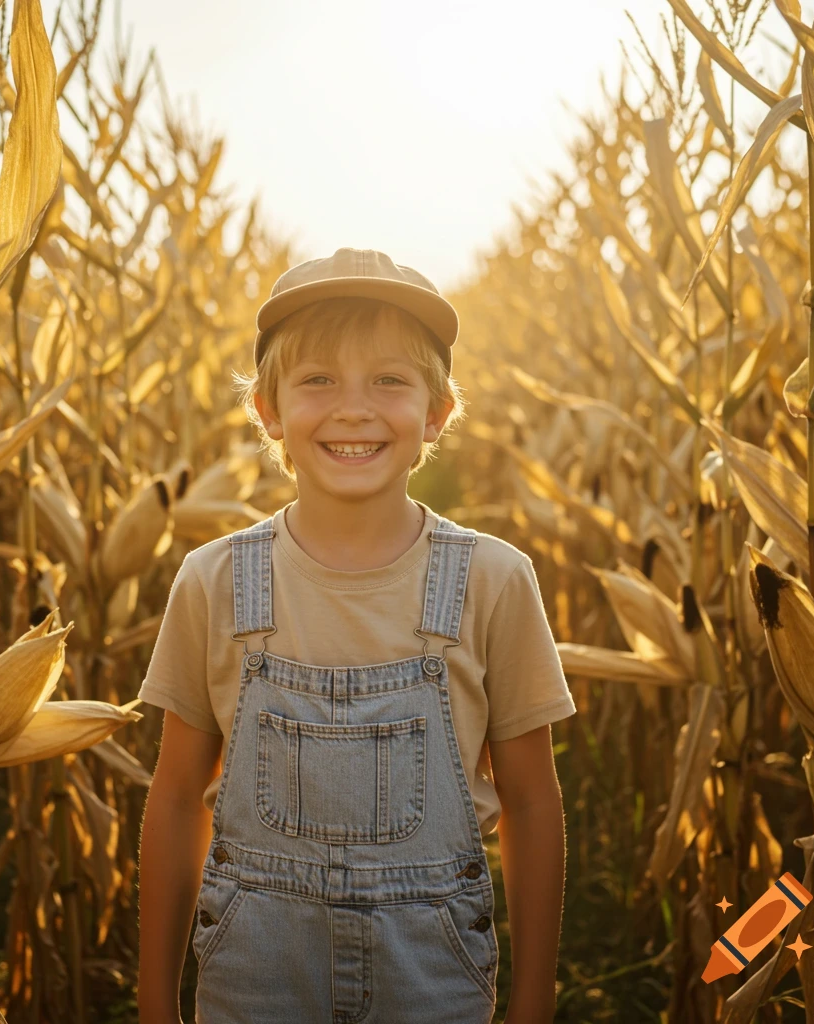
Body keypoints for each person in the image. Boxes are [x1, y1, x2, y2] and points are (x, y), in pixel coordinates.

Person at [136, 247, 576, 1024]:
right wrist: (153, 1001)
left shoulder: (494, 582)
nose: (353, 408)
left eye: (390, 381)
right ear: (267, 410)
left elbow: (533, 802)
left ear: (436, 411)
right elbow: (175, 798)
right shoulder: (212, 583)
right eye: (317, 381)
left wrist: (534, 1002)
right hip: (252, 979)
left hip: (432, 978)